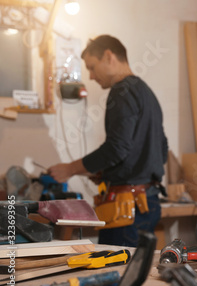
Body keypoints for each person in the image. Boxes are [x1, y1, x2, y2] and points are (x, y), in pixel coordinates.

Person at [48, 35, 168, 247]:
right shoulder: (146, 92)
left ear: (109, 56)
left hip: (127, 210)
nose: (92, 76)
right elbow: (162, 149)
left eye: (92, 67)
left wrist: (70, 169)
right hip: (148, 203)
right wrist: (106, 173)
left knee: (116, 275)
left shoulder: (121, 91)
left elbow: (117, 148)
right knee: (135, 275)